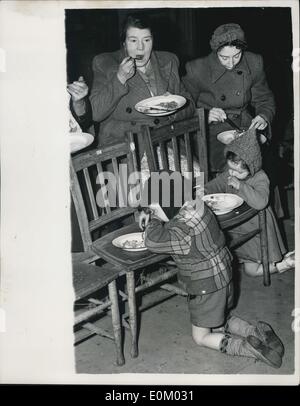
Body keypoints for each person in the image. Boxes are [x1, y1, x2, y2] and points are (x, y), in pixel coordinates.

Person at [138, 170, 283, 368]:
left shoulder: (180, 233)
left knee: (202, 336)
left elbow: (153, 241)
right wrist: (155, 213)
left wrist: (152, 221)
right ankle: (253, 331)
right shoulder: (201, 208)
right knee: (217, 316)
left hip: (205, 285)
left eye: (154, 207)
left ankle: (245, 348)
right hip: (225, 274)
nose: (152, 211)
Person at [90, 13, 195, 149]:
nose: (140, 47)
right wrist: (120, 78)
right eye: (133, 41)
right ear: (124, 43)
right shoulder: (105, 63)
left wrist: (172, 109)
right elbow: (95, 113)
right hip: (126, 147)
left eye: (146, 40)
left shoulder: (168, 60)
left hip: (167, 142)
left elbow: (190, 104)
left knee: (196, 171)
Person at [183, 23, 275, 173]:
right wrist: (204, 115)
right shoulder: (197, 69)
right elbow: (184, 107)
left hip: (244, 125)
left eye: (237, 56)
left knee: (262, 164)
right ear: (215, 51)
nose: (231, 63)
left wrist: (263, 117)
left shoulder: (254, 62)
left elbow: (264, 99)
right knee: (236, 165)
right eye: (224, 57)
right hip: (210, 130)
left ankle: (256, 194)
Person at [204, 128, 295, 276]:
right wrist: (204, 190)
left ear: (252, 167)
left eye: (238, 172)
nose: (232, 173)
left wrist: (241, 186)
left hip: (255, 227)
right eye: (230, 169)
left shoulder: (260, 178)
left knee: (251, 271)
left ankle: (286, 264)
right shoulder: (231, 171)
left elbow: (261, 202)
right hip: (235, 225)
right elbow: (217, 184)